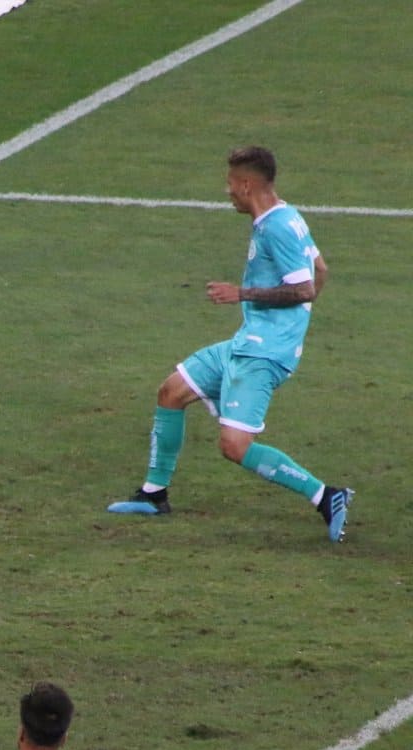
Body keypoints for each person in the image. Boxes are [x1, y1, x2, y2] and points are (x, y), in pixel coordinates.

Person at [106, 145, 352, 541]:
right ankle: (154, 495)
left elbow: (305, 288)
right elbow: (321, 269)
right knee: (172, 391)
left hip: (262, 354)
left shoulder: (276, 227)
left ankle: (326, 495)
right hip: (248, 343)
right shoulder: (287, 216)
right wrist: (294, 326)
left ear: (246, 184)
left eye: (230, 184)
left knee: (235, 445)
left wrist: (243, 294)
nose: (227, 192)